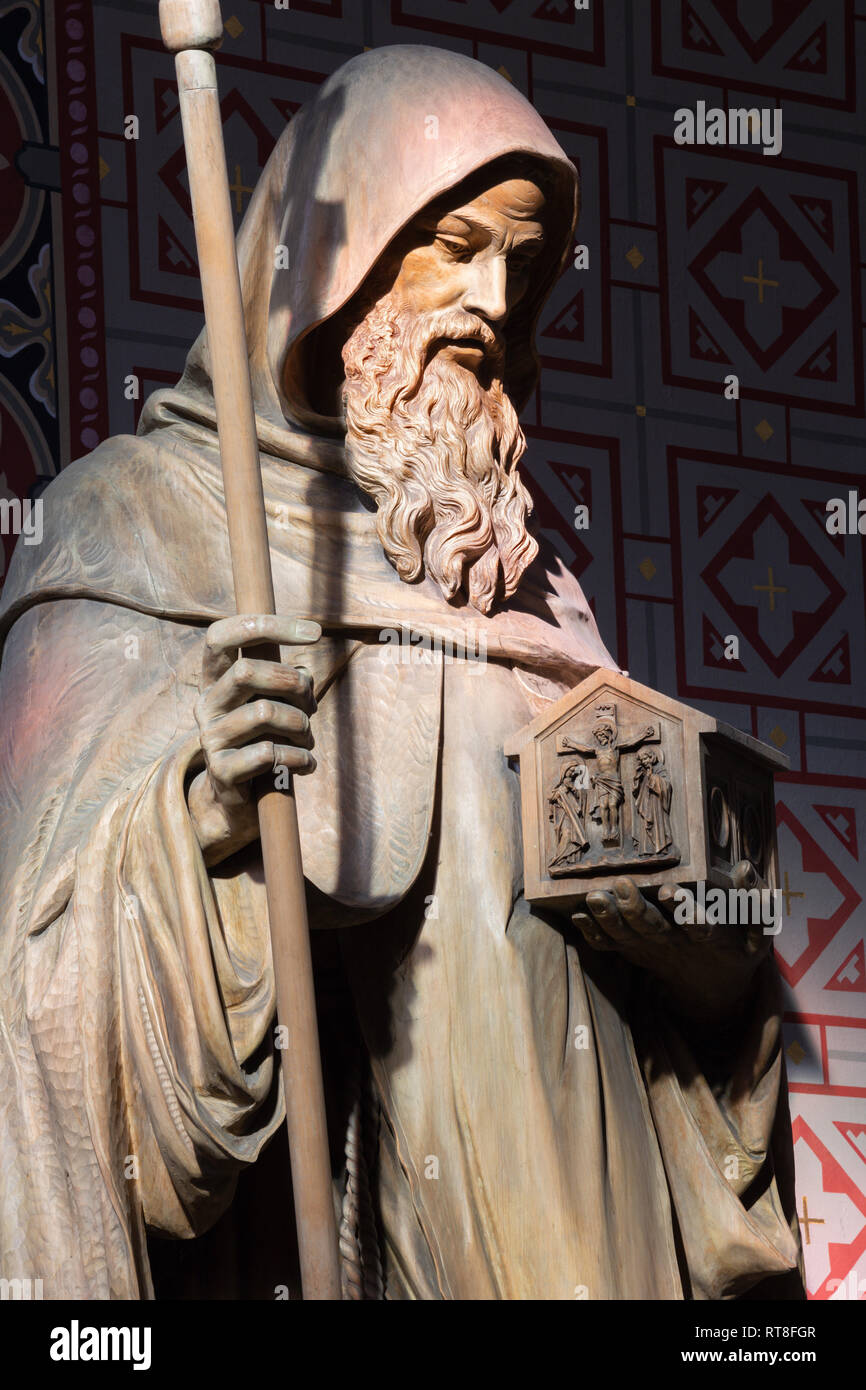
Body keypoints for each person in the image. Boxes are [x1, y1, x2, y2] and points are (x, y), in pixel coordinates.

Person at [0, 46, 802, 1300]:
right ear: (338, 259)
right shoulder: (145, 520)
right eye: (454, 242)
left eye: (522, 265)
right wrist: (198, 821)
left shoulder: (530, 577)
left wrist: (699, 906)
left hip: (587, 1221)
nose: (492, 297)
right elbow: (43, 950)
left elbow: (714, 1022)